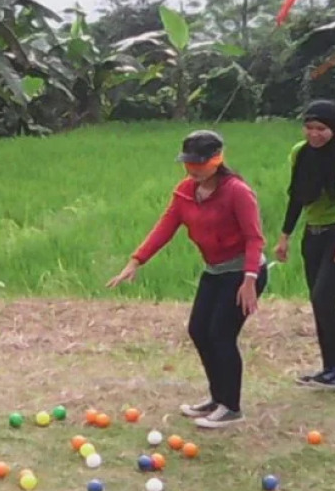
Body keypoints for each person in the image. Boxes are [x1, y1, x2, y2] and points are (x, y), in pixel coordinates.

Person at [109, 129, 268, 429]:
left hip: (242, 273)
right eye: (188, 163)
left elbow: (254, 238)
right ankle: (217, 398)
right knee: (198, 330)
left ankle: (231, 407)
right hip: (215, 270)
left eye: (199, 163)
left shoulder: (237, 191)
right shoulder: (185, 190)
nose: (192, 169)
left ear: (216, 160)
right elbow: (166, 226)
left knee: (221, 335)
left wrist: (250, 280)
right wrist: (136, 261)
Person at [274, 100, 335, 390]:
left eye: (321, 128)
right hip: (313, 235)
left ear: (334, 128)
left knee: (324, 299)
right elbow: (296, 197)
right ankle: (330, 368)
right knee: (319, 303)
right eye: (309, 127)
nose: (314, 134)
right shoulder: (300, 152)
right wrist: (285, 236)